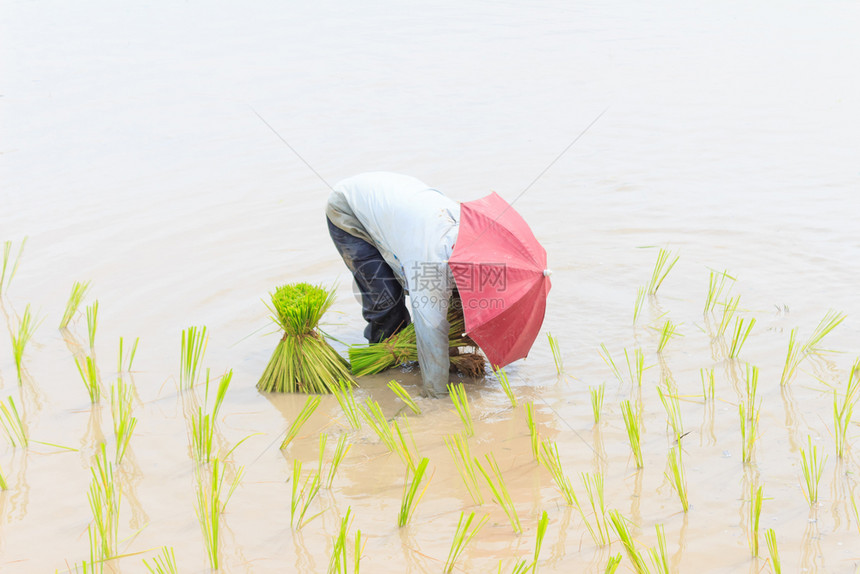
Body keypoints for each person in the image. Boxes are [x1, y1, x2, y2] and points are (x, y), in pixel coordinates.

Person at [326, 172, 459, 397]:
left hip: (398, 207)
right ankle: (384, 373)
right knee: (386, 302)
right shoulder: (430, 257)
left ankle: (414, 364)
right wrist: (436, 396)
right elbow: (431, 328)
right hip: (350, 211)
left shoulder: (473, 230)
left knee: (456, 300)